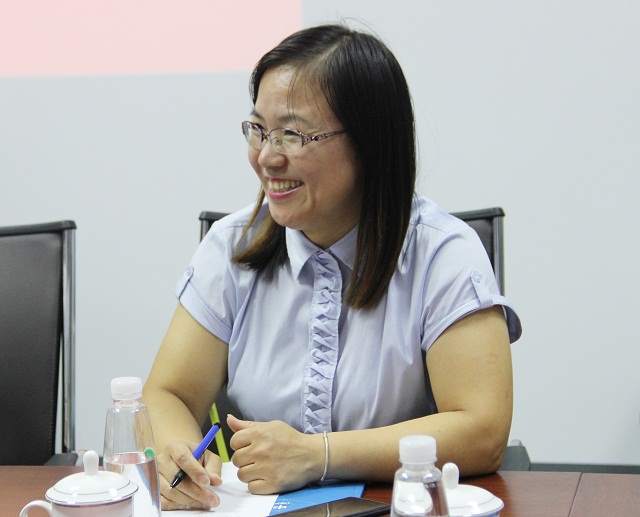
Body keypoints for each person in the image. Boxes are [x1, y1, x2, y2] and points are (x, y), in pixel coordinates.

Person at [143, 23, 522, 511]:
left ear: (368, 142)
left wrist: (316, 456)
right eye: (259, 130)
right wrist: (180, 456)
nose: (267, 157)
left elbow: (482, 430)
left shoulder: (442, 253)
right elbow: (166, 394)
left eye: (293, 135)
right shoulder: (232, 247)